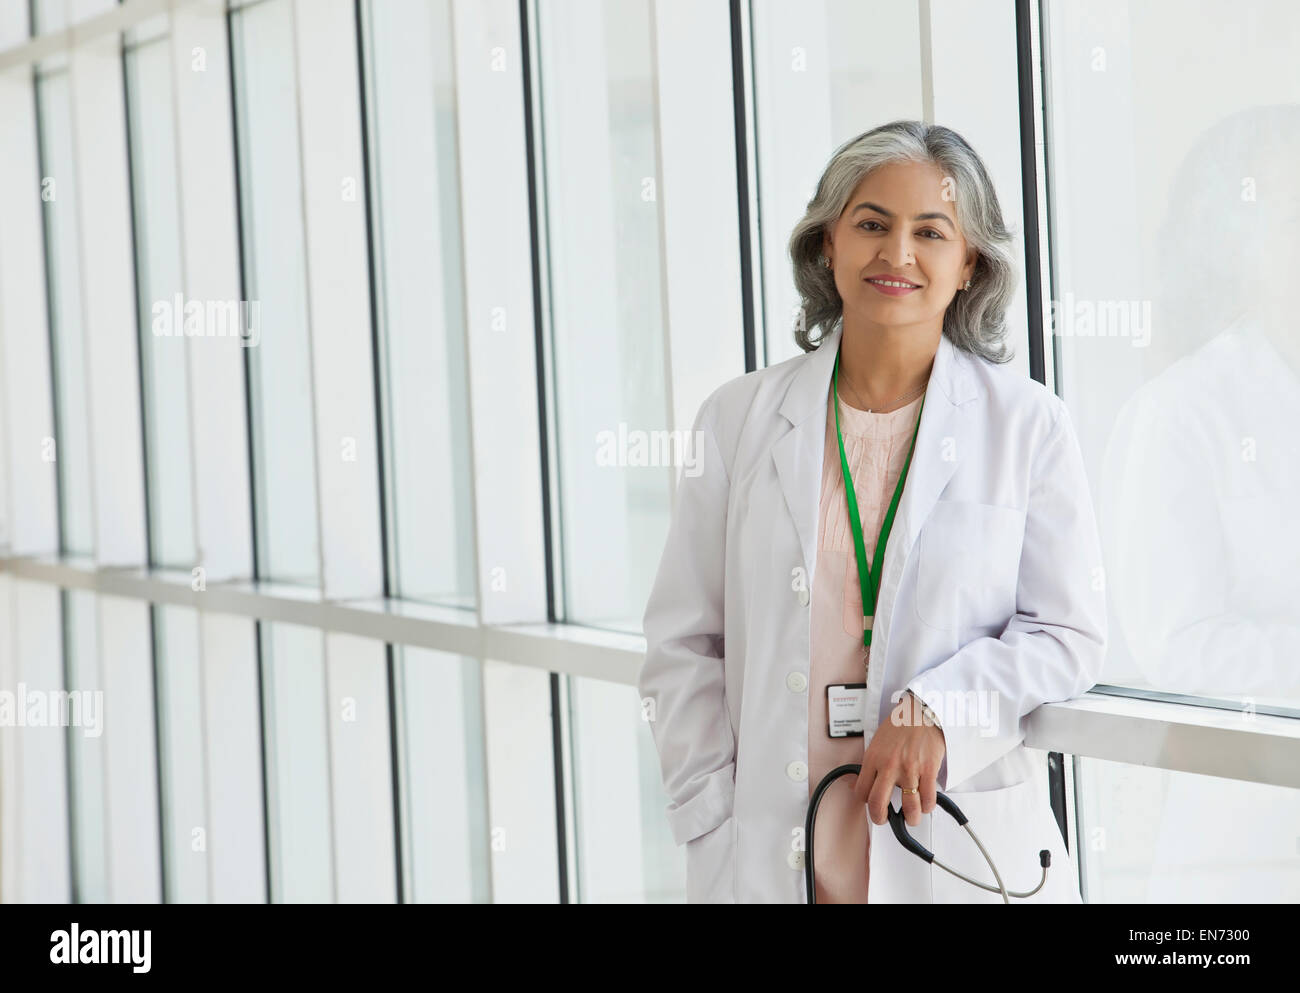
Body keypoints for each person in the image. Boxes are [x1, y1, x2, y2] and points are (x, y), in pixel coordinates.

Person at [639, 120, 1106, 903]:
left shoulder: (1027, 426)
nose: (897, 254)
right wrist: (707, 810)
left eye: (931, 231)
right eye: (871, 224)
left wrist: (942, 705)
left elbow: (1068, 632)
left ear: (969, 266)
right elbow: (683, 641)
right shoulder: (737, 419)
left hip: (949, 842)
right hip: (770, 850)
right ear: (828, 244)